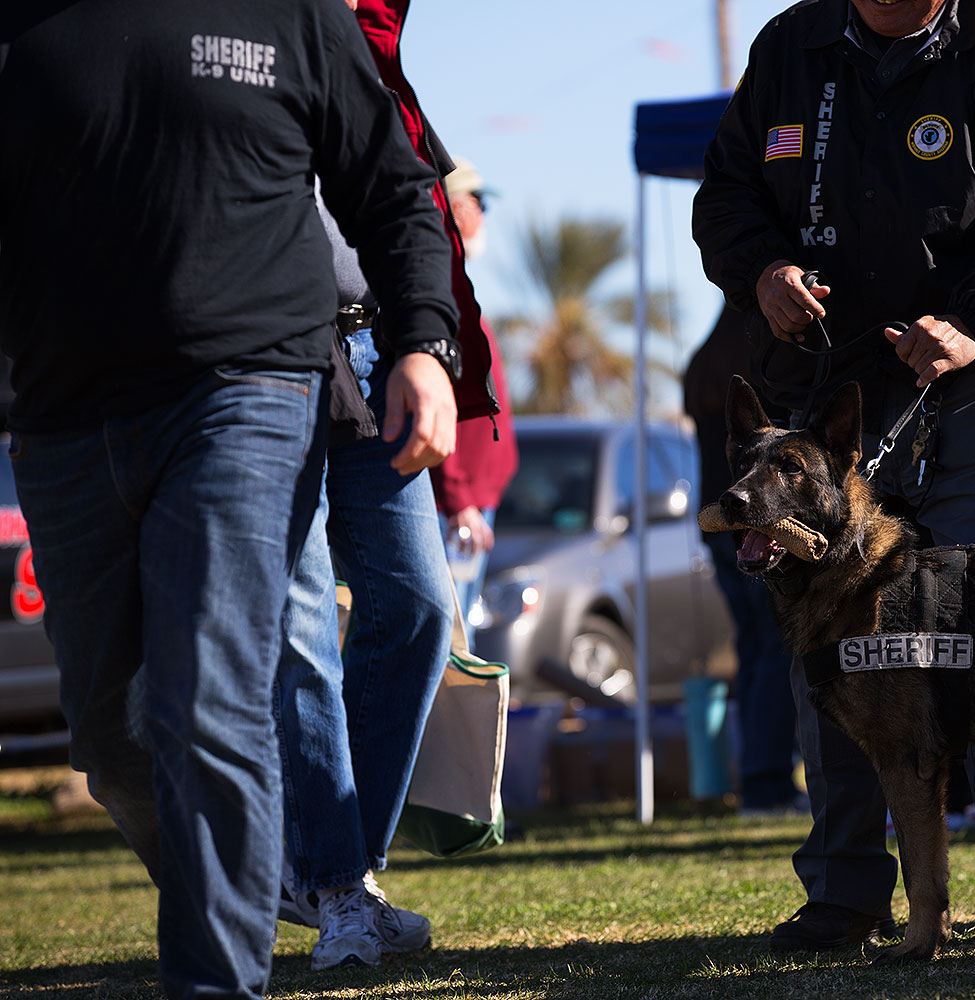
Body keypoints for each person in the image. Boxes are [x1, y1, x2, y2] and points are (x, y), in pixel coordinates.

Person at [0, 0, 460, 996]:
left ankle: (219, 976)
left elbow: (392, 187)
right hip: (63, 416)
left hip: (250, 389)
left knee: (210, 696)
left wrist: (424, 345)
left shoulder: (294, 11)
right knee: (115, 741)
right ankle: (249, 877)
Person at [692, 0, 975, 950]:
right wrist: (760, 271)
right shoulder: (790, 46)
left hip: (972, 383)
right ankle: (844, 896)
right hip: (827, 403)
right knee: (830, 647)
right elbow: (726, 194)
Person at [274, 0, 507, 971]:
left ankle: (336, 870)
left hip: (369, 347)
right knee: (296, 626)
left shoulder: (363, 42)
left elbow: (427, 203)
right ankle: (336, 888)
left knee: (416, 605)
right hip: (258, 354)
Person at [683, 304, 803, 814]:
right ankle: (768, 780)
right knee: (776, 647)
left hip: (717, 521)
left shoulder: (702, 368)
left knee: (755, 650)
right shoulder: (766, 375)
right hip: (759, 521)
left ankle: (760, 776)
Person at [431, 156, 519, 643]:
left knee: (457, 637)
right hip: (456, 509)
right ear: (456, 207)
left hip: (470, 504)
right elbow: (438, 397)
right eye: (479, 203)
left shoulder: (456, 286)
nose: (484, 216)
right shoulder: (439, 289)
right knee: (449, 639)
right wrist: (459, 498)